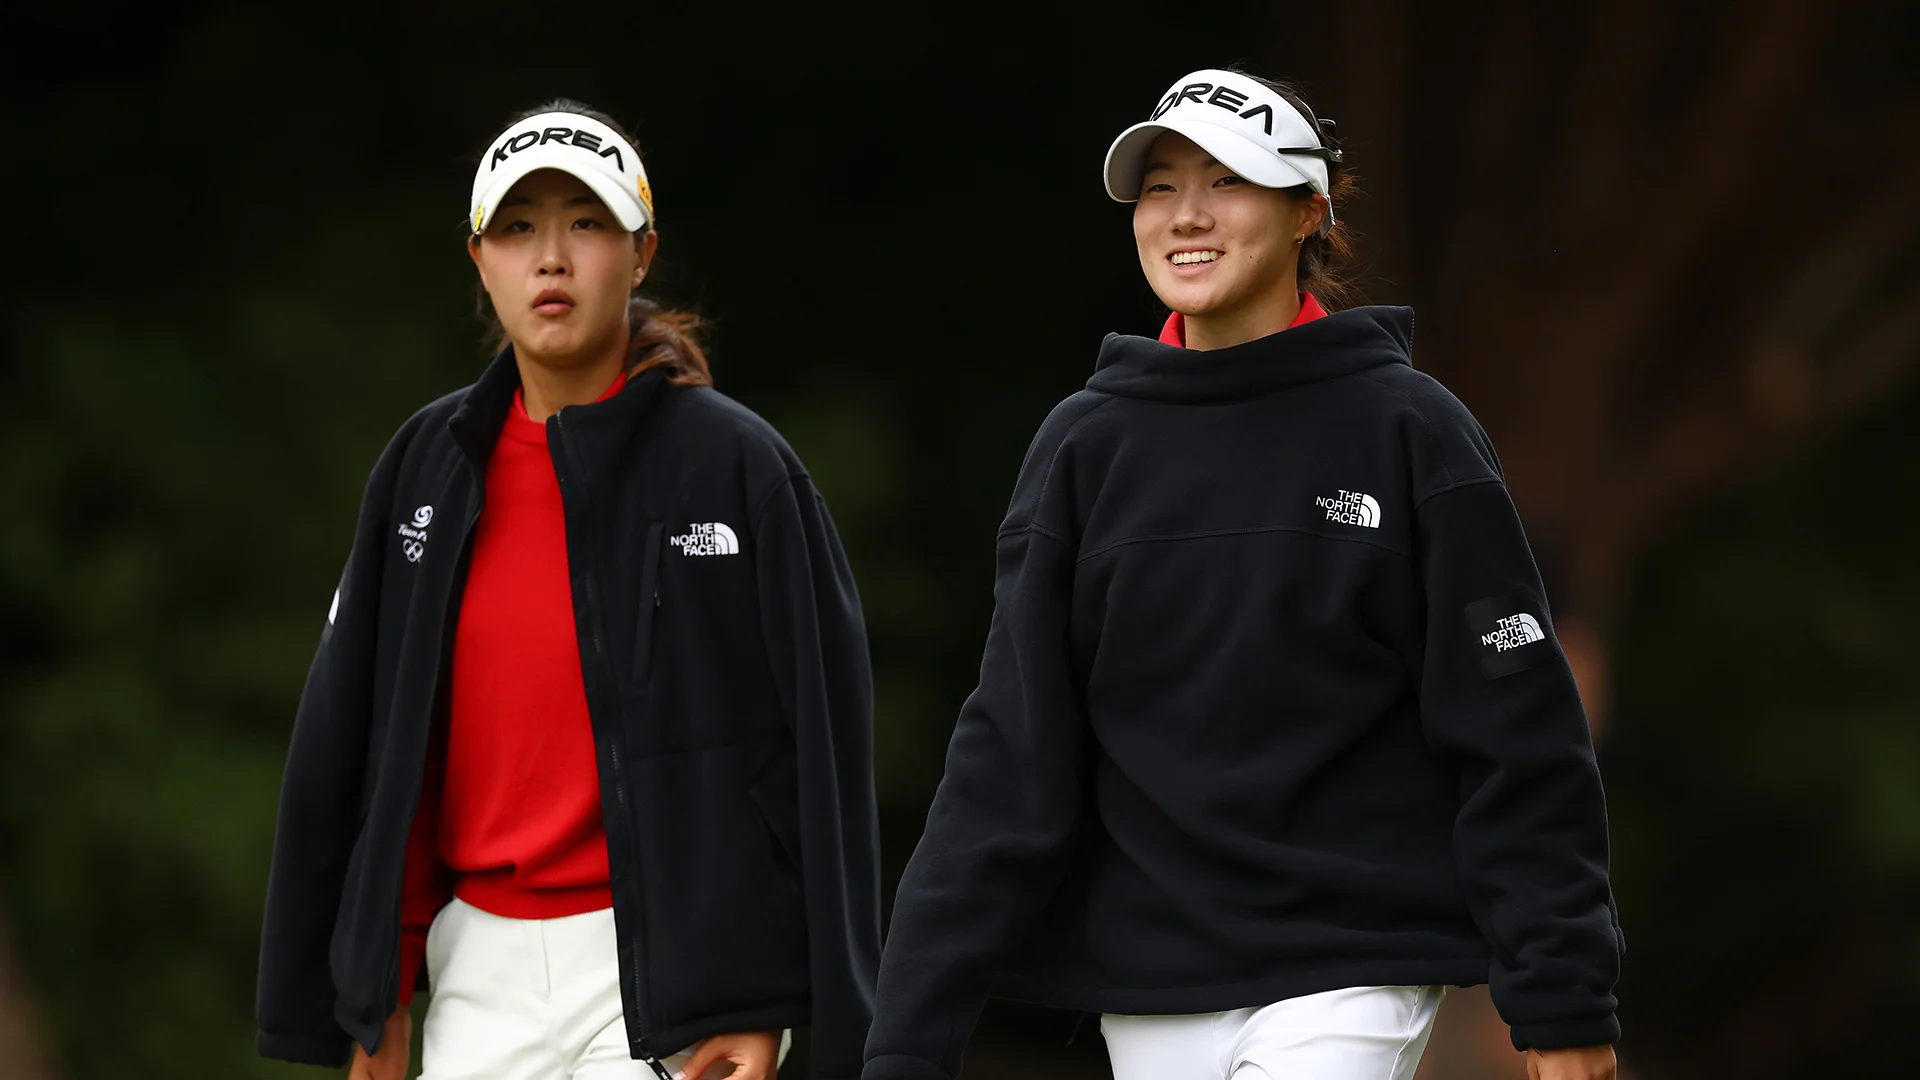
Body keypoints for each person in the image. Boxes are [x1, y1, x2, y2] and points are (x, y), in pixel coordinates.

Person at [863, 69, 1623, 1080]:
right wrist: (905, 1041)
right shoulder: (1085, 449)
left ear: (1310, 208)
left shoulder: (1410, 430)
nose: (1186, 216)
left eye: (1227, 182)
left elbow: (1516, 732)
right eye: (1162, 186)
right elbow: (1008, 756)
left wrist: (1564, 993)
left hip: (1351, 970)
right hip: (1151, 984)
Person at [255, 100, 880, 1080]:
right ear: (480, 262)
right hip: (478, 966)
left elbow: (819, 756)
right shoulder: (427, 466)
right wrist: (370, 986)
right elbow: (368, 739)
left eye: (586, 223)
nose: (551, 257)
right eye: (518, 228)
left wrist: (760, 992)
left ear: (641, 254)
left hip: (667, 975)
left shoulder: (739, 468)